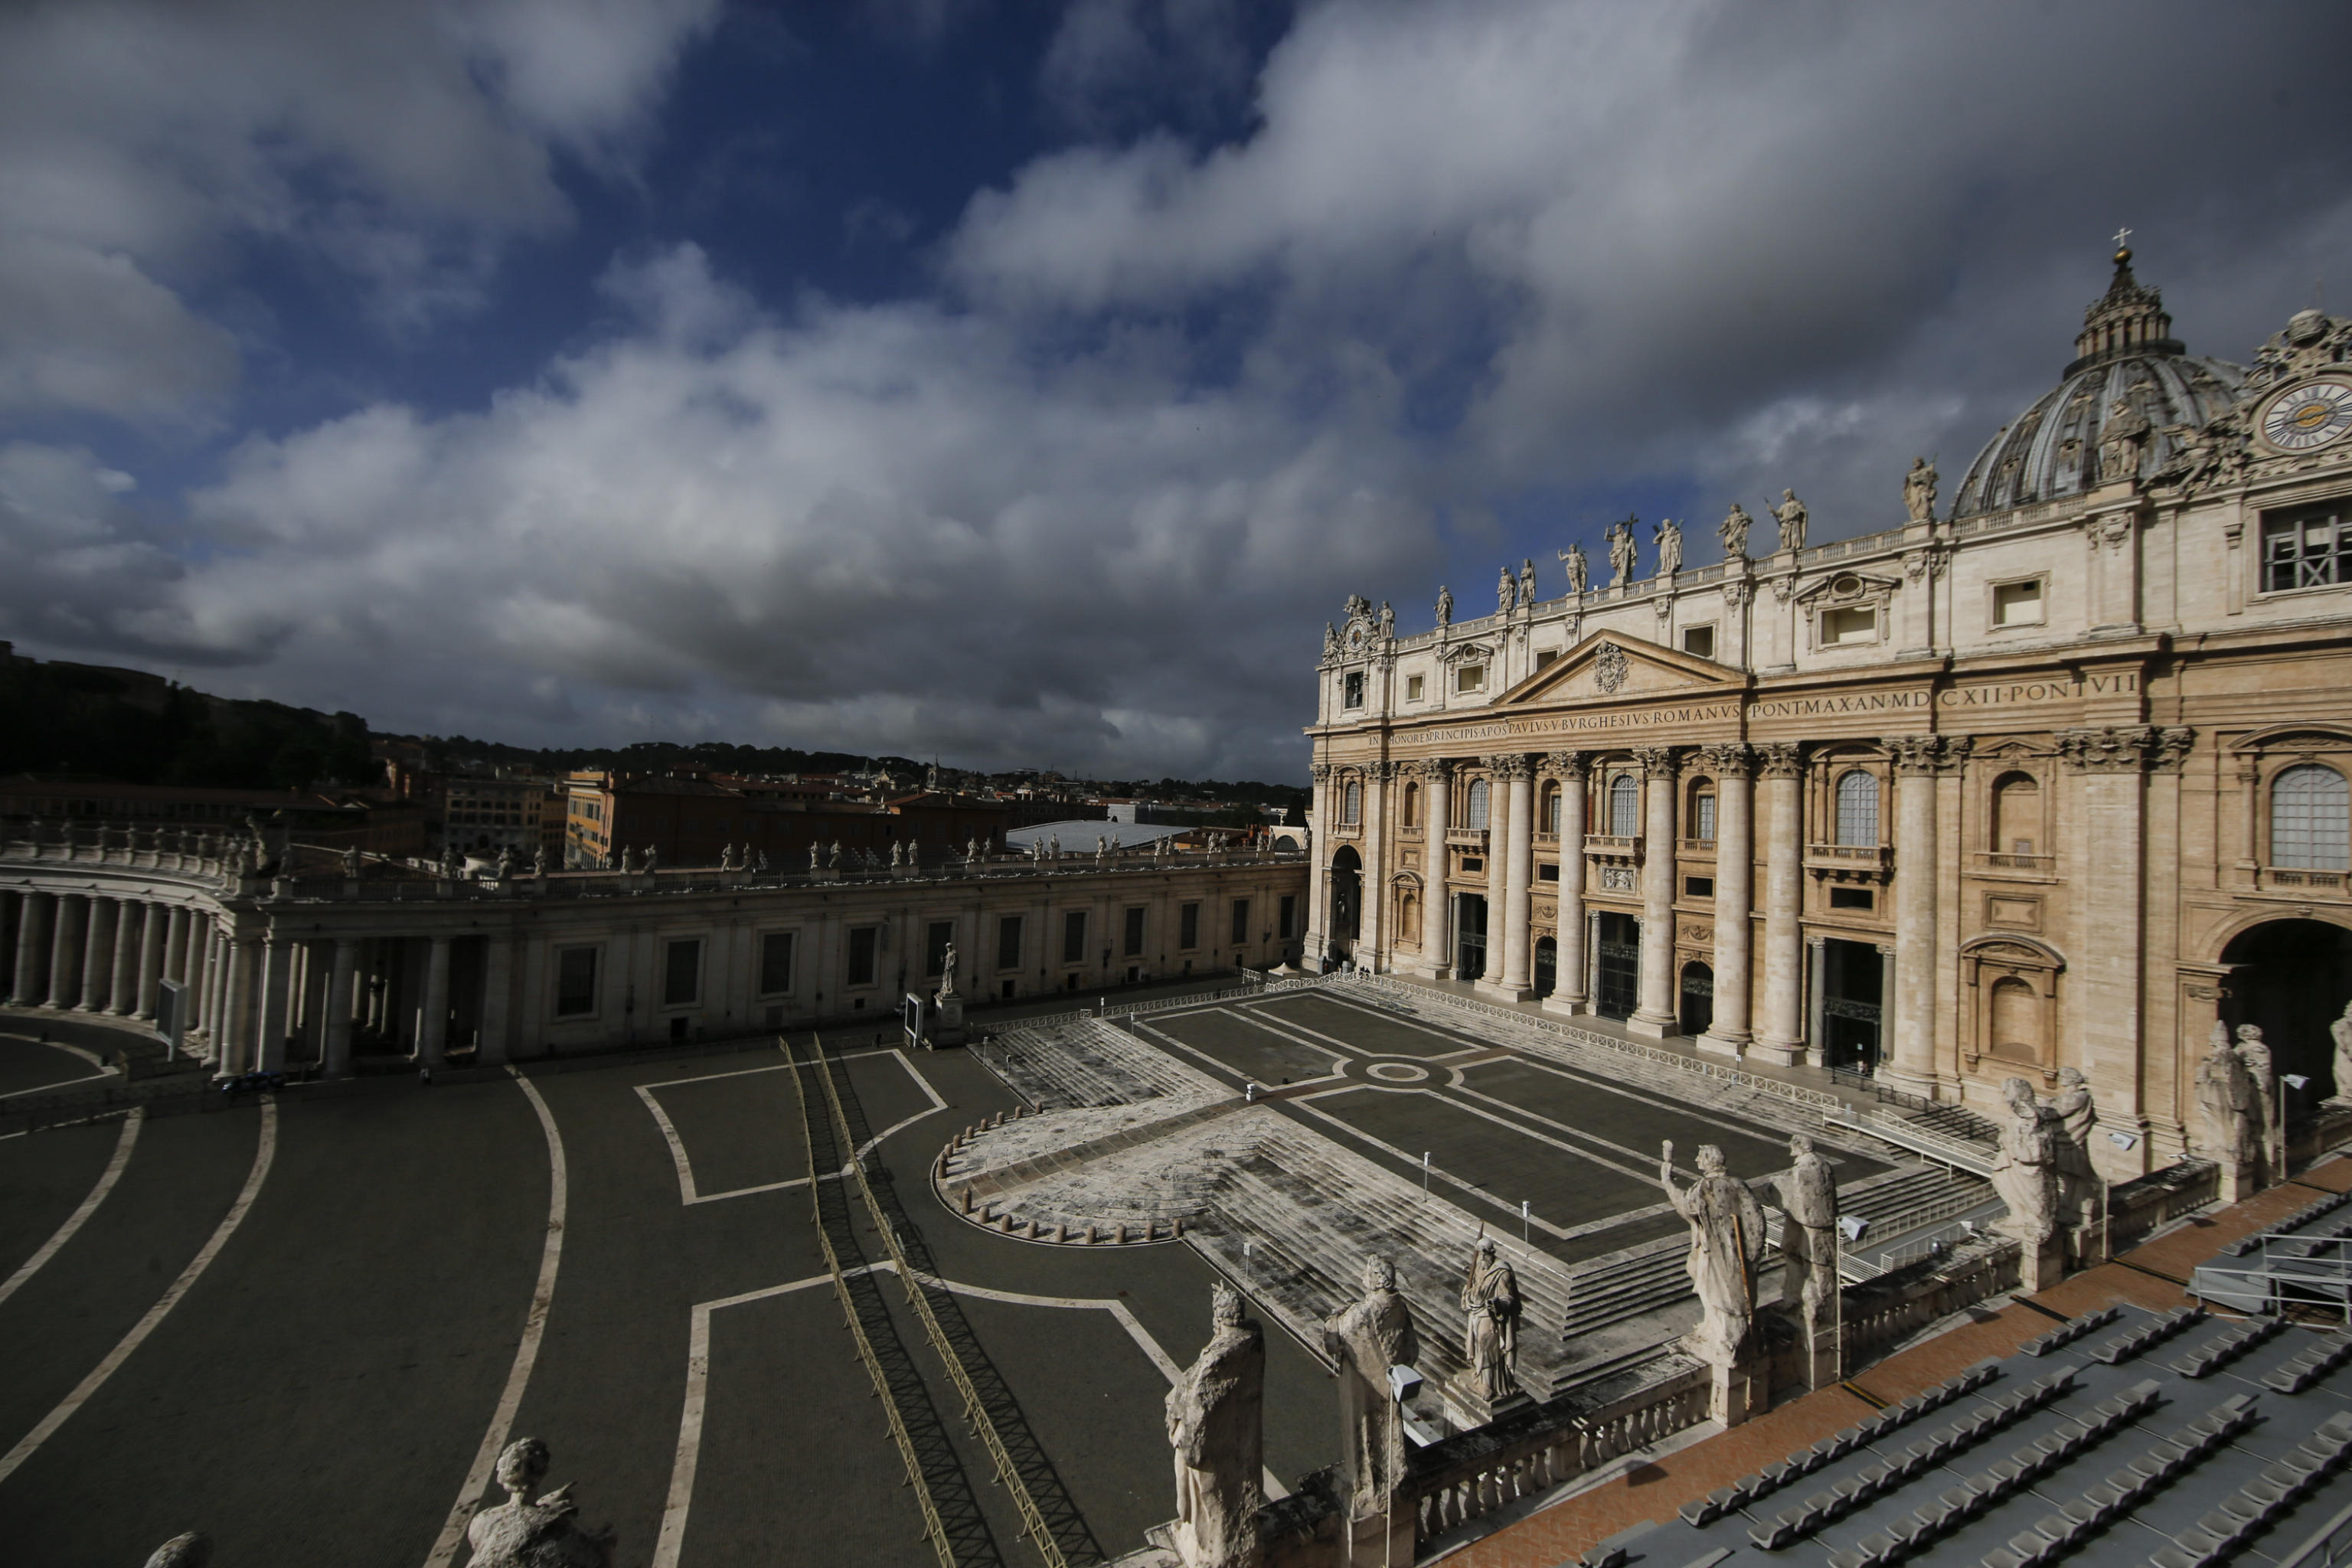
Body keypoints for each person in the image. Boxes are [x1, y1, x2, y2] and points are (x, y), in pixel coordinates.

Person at [1659, 1141, 1766, 1367]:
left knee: (1718, 1293)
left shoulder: (1704, 1188)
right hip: (1738, 1252)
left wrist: (1668, 1182)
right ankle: (1717, 1329)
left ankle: (1725, 1339)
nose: (1697, 1161)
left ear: (1708, 1161)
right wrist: (1754, 1252)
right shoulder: (1738, 1184)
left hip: (1718, 1253)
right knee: (1716, 1286)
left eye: (1700, 1157)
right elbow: (1756, 1218)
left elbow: (1685, 1207)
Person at [1459, 1237, 1521, 1403]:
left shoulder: (1502, 1273)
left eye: (1482, 1255)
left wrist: (1496, 1304)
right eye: (1478, 1255)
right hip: (1476, 1313)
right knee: (1479, 1346)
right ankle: (1481, 1377)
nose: (1480, 1259)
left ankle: (1488, 1385)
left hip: (1491, 1316)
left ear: (1488, 1254)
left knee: (1487, 1346)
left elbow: (1508, 1298)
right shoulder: (1479, 1266)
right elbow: (1475, 1285)